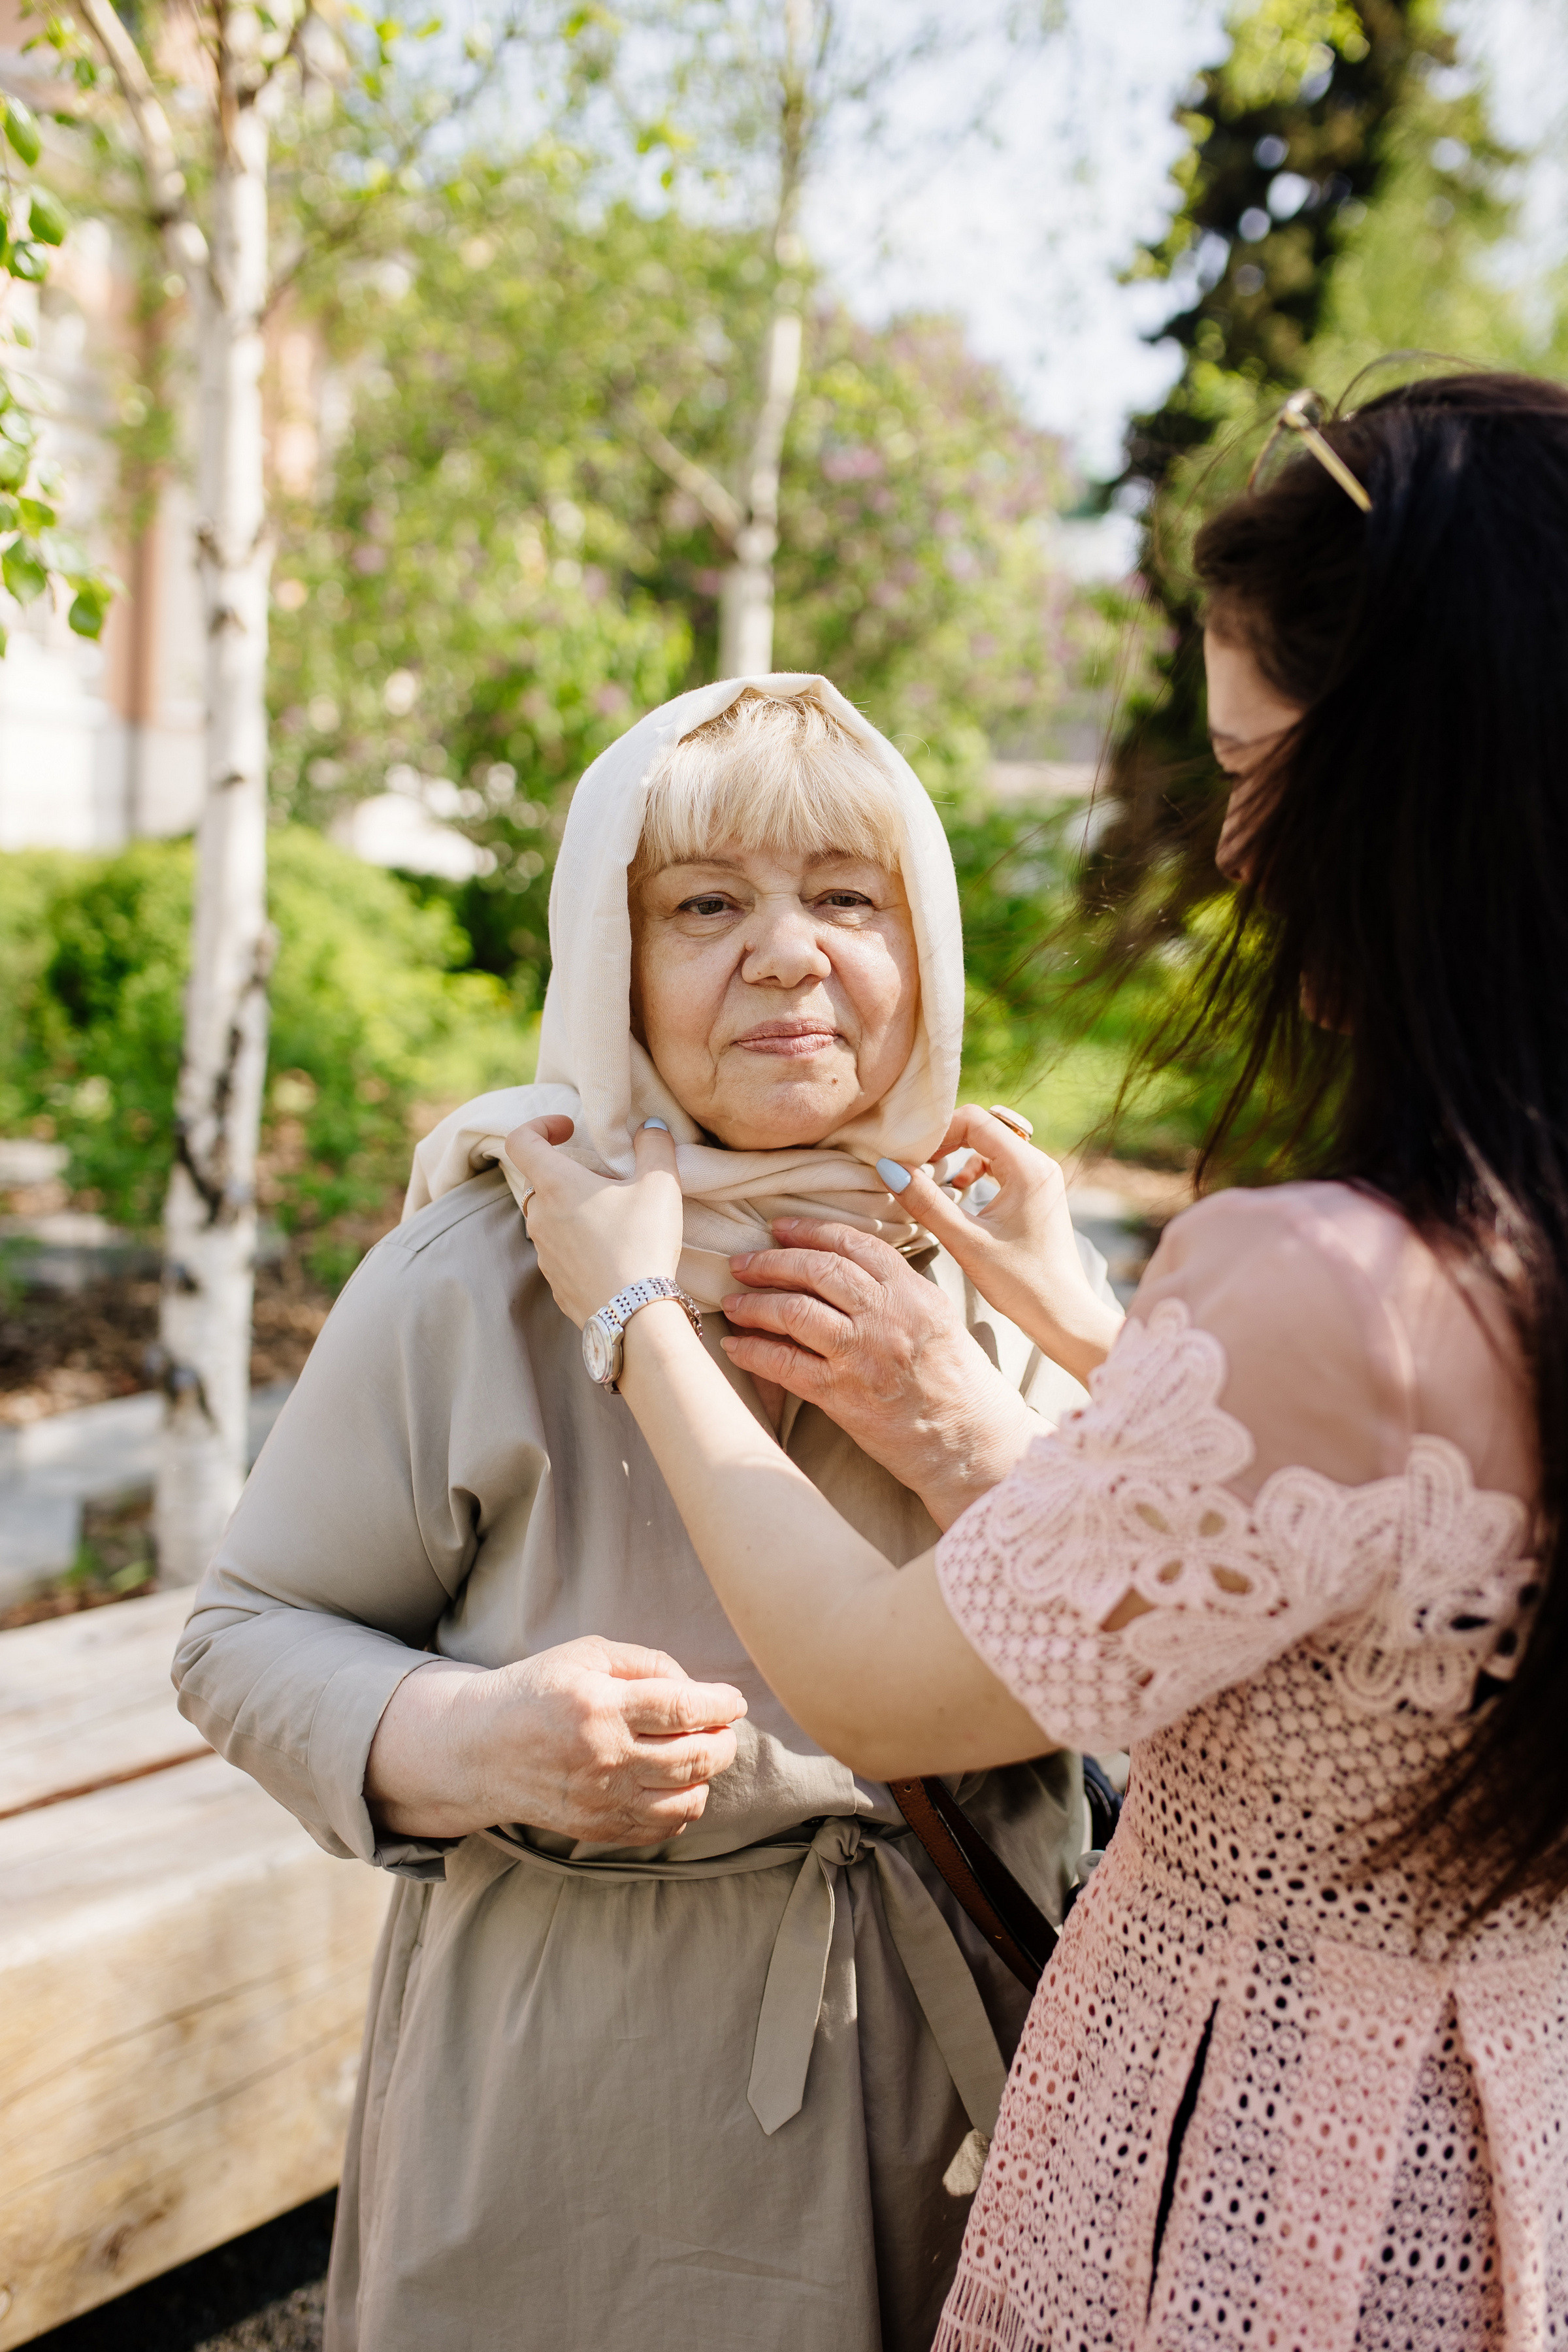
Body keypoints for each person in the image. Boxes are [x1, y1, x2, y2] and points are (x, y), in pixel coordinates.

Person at [508, 374, 1568, 2350]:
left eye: (1261, 771)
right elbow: (1365, 1598)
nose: (1240, 852)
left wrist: (635, 1312)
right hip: (1514, 2130)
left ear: (1418, 788)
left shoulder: (1322, 1286)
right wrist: (1104, 1344)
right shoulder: (1487, 1262)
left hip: (1265, 2163)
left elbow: (873, 1691)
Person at [171, 676, 1119, 2352]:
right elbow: (243, 1635)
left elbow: (1152, 1647)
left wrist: (969, 1409)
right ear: (610, 959)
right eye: (702, 904)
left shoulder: (1001, 1270)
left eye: (847, 896)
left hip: (970, 2054)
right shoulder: (485, 1269)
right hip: (586, 2085)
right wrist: (466, 1738)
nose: (784, 952)